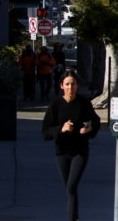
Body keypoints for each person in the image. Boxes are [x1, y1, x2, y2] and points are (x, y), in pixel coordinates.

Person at [42, 69, 100, 221]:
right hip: (62, 151)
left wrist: (89, 128)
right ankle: (74, 217)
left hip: (80, 151)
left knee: (71, 187)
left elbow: (96, 121)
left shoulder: (84, 103)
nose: (70, 88)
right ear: (61, 86)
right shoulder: (56, 104)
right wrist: (61, 129)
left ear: (77, 86)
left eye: (73, 84)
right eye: (67, 84)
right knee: (69, 189)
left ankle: (72, 219)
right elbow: (45, 131)